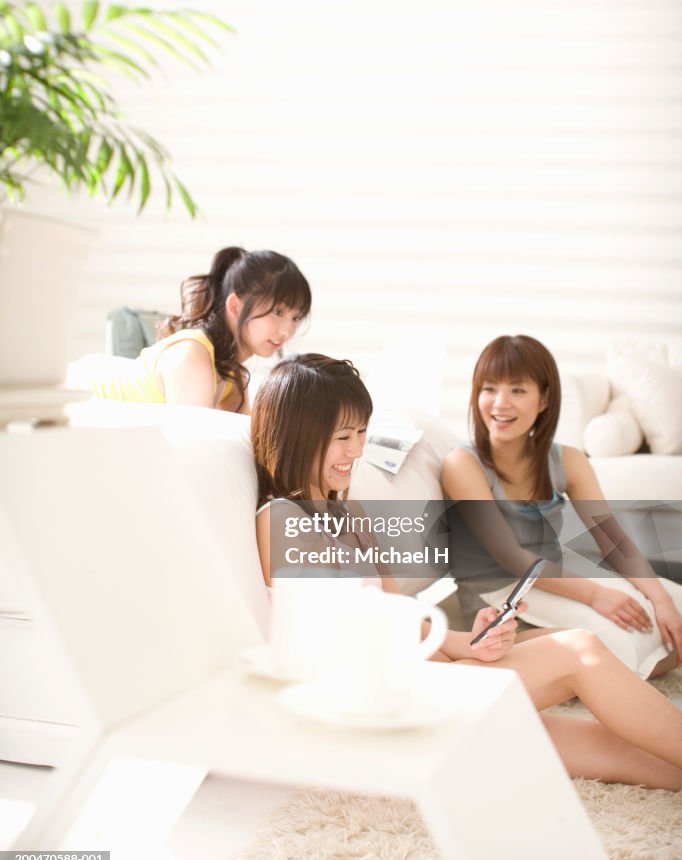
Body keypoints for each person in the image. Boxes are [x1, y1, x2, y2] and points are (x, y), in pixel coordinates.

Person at [252, 353, 682, 790]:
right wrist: (463, 647)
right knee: (579, 650)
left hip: (417, 675)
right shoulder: (282, 519)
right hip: (377, 699)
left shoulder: (351, 514)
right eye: (343, 436)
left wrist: (471, 644)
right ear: (298, 436)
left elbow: (397, 613)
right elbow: (356, 629)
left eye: (362, 433)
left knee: (640, 757)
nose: (357, 450)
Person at [441, 334, 682, 677]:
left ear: (544, 400)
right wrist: (595, 595)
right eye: (489, 389)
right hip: (498, 591)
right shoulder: (461, 464)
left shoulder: (567, 459)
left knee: (673, 606)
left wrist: (660, 600)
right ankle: (494, 648)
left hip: (555, 574)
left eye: (518, 390)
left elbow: (613, 540)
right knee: (618, 645)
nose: (499, 403)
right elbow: (509, 556)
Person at [68, 247, 311, 412]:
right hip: (75, 392)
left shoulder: (232, 377)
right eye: (278, 312)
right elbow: (194, 448)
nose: (286, 330)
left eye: (295, 317)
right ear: (235, 306)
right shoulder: (191, 355)